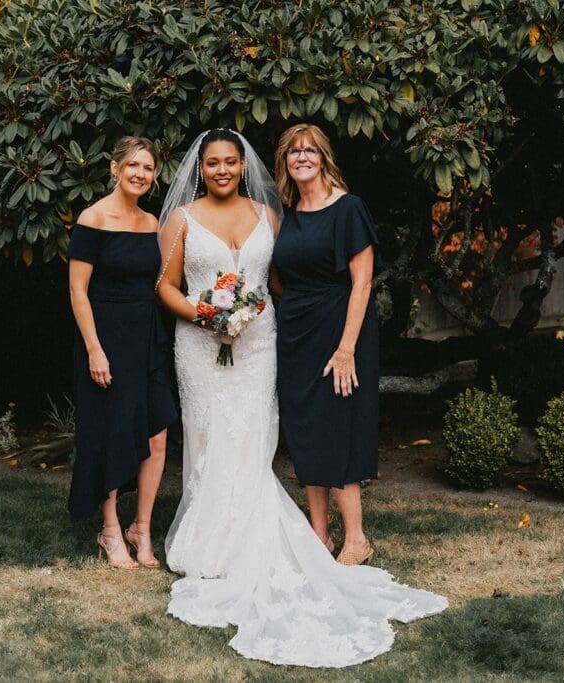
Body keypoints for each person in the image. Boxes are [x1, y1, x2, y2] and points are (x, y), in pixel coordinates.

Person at [156, 128, 447, 667]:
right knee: (258, 431)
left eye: (231, 161)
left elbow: (347, 281)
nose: (222, 169)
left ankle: (352, 535)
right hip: (259, 335)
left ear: (244, 166)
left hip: (298, 333)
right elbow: (251, 281)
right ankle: (291, 532)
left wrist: (333, 342)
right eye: (293, 152)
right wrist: (218, 311)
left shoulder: (296, 212)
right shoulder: (251, 215)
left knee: (277, 430)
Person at [271, 123, 380, 565]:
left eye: (309, 151)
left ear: (323, 158)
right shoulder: (289, 214)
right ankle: (320, 534)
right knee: (304, 430)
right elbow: (278, 276)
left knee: (336, 427)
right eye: (293, 151)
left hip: (341, 330)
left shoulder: (349, 209)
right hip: (296, 332)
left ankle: (356, 538)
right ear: (285, 162)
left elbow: (363, 282)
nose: (301, 157)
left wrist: (346, 347)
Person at [67, 136, 177, 570]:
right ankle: (110, 529)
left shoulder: (152, 223)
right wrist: (94, 350)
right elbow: (77, 290)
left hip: (147, 337)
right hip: (105, 338)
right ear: (114, 168)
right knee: (112, 432)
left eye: (147, 168)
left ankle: (142, 528)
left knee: (158, 432)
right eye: (132, 165)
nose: (140, 174)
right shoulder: (92, 218)